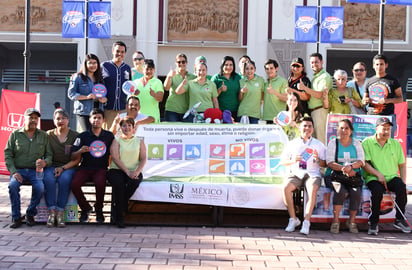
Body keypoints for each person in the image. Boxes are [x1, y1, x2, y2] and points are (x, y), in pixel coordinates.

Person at [5, 108, 52, 229]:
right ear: (24, 119)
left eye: (36, 118)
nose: (33, 120)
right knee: (13, 186)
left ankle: (30, 214)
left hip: (34, 171)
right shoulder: (15, 134)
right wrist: (13, 172)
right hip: (18, 170)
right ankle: (16, 217)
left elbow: (49, 155)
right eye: (30, 117)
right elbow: (8, 154)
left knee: (40, 188)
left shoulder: (43, 135)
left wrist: (45, 162)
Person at [362, 117, 410, 235]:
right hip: (373, 177)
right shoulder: (367, 142)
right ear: (376, 129)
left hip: (392, 177)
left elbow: (402, 164)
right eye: (384, 129)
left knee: (401, 188)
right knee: (377, 191)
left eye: (388, 129)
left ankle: (399, 219)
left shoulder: (395, 144)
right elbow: (364, 164)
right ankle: (374, 222)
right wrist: (378, 174)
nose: (387, 132)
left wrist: (403, 181)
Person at [281, 116, 326, 235]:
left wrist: (317, 159)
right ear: (299, 128)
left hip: (312, 173)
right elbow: (283, 161)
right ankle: (293, 219)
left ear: (313, 128)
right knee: (286, 188)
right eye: (304, 126)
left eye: (310, 126)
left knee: (312, 190)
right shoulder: (292, 144)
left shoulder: (318, 144)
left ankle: (306, 221)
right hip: (296, 172)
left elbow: (325, 163)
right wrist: (293, 160)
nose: (307, 128)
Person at [70, 108, 114, 223]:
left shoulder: (109, 136)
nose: (96, 120)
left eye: (99, 118)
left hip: (101, 168)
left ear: (103, 120)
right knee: (74, 183)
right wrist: (80, 151)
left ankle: (99, 209)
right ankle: (86, 208)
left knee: (100, 183)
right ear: (90, 120)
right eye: (94, 118)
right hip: (85, 167)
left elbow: (115, 152)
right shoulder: (82, 136)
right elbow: (72, 155)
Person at [326, 119, 365, 234]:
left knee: (355, 191)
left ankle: (351, 221)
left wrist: (351, 167)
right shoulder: (333, 143)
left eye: (346, 128)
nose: (344, 131)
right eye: (341, 128)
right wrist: (344, 169)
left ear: (351, 130)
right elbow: (329, 162)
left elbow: (361, 161)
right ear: (337, 130)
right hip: (335, 175)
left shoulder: (356, 143)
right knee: (340, 190)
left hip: (353, 176)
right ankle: (335, 221)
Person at [108, 117, 147, 228]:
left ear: (133, 127)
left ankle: (119, 207)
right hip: (117, 170)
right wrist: (127, 172)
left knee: (134, 182)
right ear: (120, 127)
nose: (127, 128)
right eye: (124, 125)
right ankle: (120, 217)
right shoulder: (116, 140)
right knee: (119, 185)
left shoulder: (139, 141)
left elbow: (143, 158)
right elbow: (115, 158)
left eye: (129, 125)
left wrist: (137, 171)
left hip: (133, 171)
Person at [44, 108, 80, 228]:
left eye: (63, 118)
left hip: (69, 166)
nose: (61, 121)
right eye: (58, 118)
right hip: (51, 165)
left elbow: (77, 159)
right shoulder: (48, 135)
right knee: (48, 179)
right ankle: (51, 212)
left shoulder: (75, 135)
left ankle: (60, 212)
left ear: (68, 120)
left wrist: (63, 168)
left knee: (64, 180)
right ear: (54, 121)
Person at [363, 54, 403, 136]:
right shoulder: (369, 81)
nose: (379, 66)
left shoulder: (393, 80)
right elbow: (364, 100)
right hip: (372, 116)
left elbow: (400, 99)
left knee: (388, 143)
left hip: (387, 117)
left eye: (381, 64)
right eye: (377, 64)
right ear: (373, 66)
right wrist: (366, 100)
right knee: (371, 142)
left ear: (386, 65)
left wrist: (387, 101)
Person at [68, 54, 107, 132]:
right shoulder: (78, 77)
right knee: (87, 133)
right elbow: (71, 94)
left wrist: (104, 100)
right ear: (85, 64)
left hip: (98, 112)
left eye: (95, 63)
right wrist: (86, 97)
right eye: (90, 63)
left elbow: (105, 96)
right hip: (84, 112)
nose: (92, 65)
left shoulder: (100, 79)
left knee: (96, 134)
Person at [299, 53, 332, 144]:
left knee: (320, 139)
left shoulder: (324, 76)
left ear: (322, 62)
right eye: (312, 63)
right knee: (313, 140)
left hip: (320, 111)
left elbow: (319, 95)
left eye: (316, 62)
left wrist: (305, 88)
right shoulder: (315, 77)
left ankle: (323, 158)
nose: (314, 64)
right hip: (313, 112)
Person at [101, 41, 132, 129]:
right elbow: (96, 82)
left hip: (123, 109)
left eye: (122, 52)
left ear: (125, 53)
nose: (119, 54)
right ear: (113, 51)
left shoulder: (127, 68)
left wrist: (134, 90)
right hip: (108, 109)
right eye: (117, 51)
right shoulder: (104, 66)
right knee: (108, 135)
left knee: (122, 135)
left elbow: (129, 86)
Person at [163, 53, 196, 122]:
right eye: (179, 62)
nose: (181, 64)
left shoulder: (192, 77)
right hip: (172, 109)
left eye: (183, 62)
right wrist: (169, 76)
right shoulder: (172, 74)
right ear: (176, 63)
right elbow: (166, 88)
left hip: (186, 110)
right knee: (171, 132)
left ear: (186, 63)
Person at [262, 59, 288, 124]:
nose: (269, 71)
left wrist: (274, 92)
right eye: (267, 69)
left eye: (271, 68)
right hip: (267, 117)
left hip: (280, 117)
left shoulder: (283, 81)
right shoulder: (265, 83)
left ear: (276, 69)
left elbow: (286, 99)